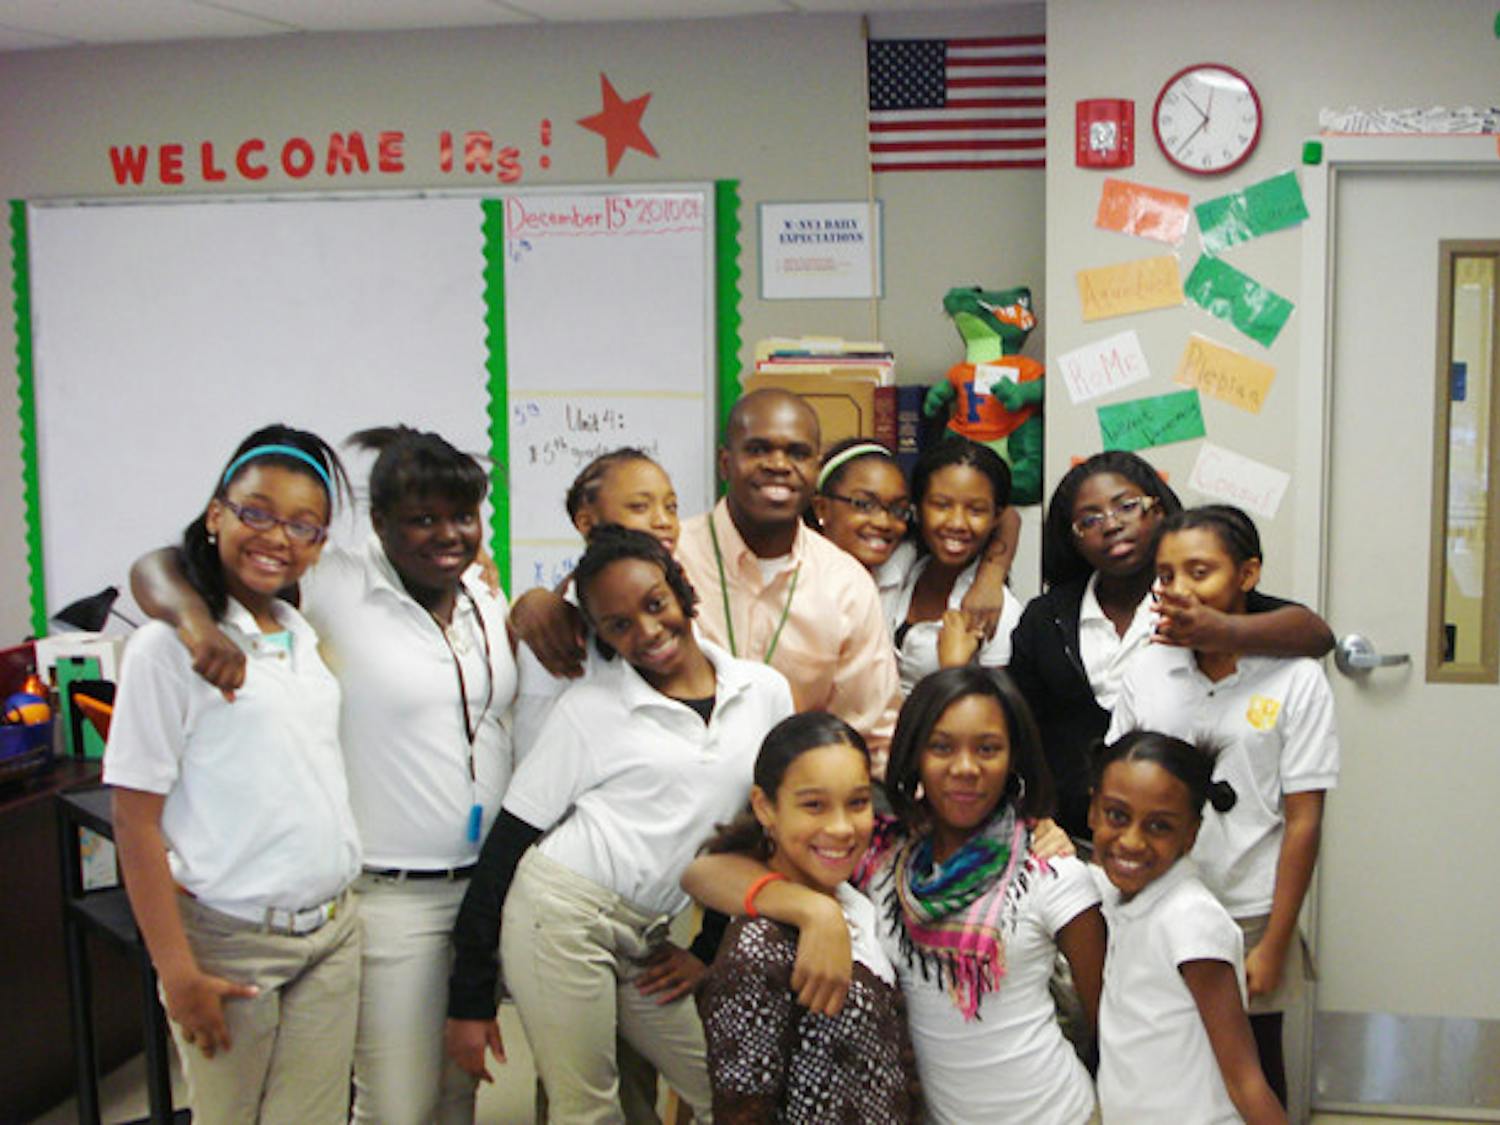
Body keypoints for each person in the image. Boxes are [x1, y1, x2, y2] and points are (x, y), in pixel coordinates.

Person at [132, 425, 518, 1125]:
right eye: (421, 518)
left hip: (478, 886)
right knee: (395, 1105)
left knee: (455, 1091)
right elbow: (164, 564)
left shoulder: (477, 597)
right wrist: (192, 619)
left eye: (461, 516)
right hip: (388, 892)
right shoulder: (334, 582)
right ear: (378, 524)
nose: (446, 533)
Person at [446, 526, 795, 1123]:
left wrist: (707, 951)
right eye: (618, 625)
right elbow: (508, 847)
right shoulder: (592, 709)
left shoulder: (762, 691)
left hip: (648, 936)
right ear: (600, 635)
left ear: (683, 592)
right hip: (559, 915)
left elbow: (758, 834)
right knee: (588, 1108)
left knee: (735, 1094)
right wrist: (470, 999)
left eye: (655, 604)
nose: (647, 632)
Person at [683, 666, 1102, 1125]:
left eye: (988, 748)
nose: (965, 768)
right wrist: (813, 910)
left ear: (1013, 758)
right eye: (942, 747)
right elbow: (704, 872)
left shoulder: (1047, 869)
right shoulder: (882, 856)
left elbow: (1108, 1024)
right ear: (914, 755)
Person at [107, 425, 363, 1123]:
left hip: (333, 931)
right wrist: (175, 971)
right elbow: (133, 821)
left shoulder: (296, 628)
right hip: (231, 942)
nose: (277, 536)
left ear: (319, 543)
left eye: (303, 524)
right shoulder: (170, 647)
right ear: (216, 512)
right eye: (257, 511)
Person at [513, 390, 901, 766]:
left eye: (797, 453)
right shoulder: (662, 557)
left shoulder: (846, 584)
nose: (778, 464)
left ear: (816, 469)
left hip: (792, 809)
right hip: (662, 797)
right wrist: (537, 601)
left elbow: (870, 733)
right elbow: (588, 595)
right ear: (725, 463)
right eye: (758, 449)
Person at [1107, 505, 1338, 1106]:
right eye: (1166, 576)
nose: (1179, 590)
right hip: (1153, 902)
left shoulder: (1295, 677)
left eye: (1200, 572)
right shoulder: (1148, 667)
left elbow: (1305, 818)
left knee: (1255, 1069)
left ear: (1248, 574)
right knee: (1166, 1055)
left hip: (1250, 908)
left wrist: (1276, 941)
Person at [1006, 450, 1334, 839]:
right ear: (1072, 538)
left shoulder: (1197, 601)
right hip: (1065, 837)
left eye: (1127, 506)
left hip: (1179, 839)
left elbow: (1316, 634)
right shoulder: (1047, 617)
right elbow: (1020, 727)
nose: (1111, 525)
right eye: (1089, 520)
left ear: (1159, 512)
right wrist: (1037, 817)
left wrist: (1220, 630)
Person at [510, 447, 693, 1124]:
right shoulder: (556, 624)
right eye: (642, 504)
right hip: (563, 885)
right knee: (578, 1083)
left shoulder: (665, 616)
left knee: (635, 1078)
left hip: (642, 896)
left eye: (672, 504)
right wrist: (538, 603)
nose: (665, 519)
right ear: (587, 518)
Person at [696, 711, 922, 1123]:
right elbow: (742, 1111)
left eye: (856, 803)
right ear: (765, 808)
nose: (840, 828)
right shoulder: (759, 949)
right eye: (814, 805)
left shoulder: (857, 899)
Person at [1088, 730, 1287, 1124]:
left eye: (1159, 826)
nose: (1131, 841)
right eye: (1117, 816)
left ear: (1191, 834)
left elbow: (1245, 1078)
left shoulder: (1190, 920)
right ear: (1092, 809)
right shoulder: (1119, 896)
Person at [809, 437, 1019, 661]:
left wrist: (991, 575)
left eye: (897, 510)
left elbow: (1008, 516)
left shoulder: (897, 560)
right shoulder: (894, 561)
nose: (882, 521)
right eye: (864, 505)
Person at [884, 440, 1023, 694]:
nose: (957, 522)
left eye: (976, 510)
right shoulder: (895, 561)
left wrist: (955, 669)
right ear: (918, 508)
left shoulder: (998, 611)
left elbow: (995, 711)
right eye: (941, 505)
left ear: (995, 517)